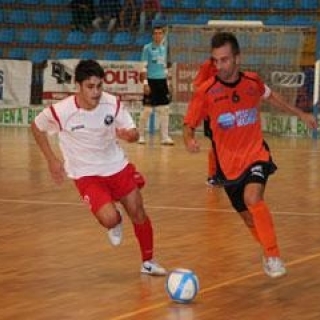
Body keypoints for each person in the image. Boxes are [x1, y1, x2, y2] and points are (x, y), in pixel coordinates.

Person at [183, 32, 317, 278]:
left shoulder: (252, 82)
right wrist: (189, 139)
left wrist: (300, 114)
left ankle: (273, 255)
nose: (219, 66)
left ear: (237, 58)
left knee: (253, 198)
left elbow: (272, 97)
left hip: (256, 154)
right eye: (215, 61)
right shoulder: (206, 91)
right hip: (228, 166)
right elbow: (188, 123)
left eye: (224, 60)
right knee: (248, 219)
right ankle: (268, 251)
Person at [31, 59, 167, 276]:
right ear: (78, 86)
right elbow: (36, 128)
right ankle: (116, 218)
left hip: (117, 166)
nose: (96, 92)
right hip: (86, 175)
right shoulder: (62, 111)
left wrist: (129, 136)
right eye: (90, 87)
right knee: (109, 218)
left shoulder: (112, 103)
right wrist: (51, 160)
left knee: (138, 211)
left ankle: (148, 261)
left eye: (99, 86)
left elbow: (134, 133)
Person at [138, 25, 174, 145]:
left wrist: (168, 83)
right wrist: (145, 83)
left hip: (162, 82)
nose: (158, 35)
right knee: (147, 110)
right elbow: (143, 67)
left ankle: (165, 137)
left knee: (164, 110)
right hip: (151, 81)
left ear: (163, 35)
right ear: (152, 35)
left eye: (160, 33)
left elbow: (165, 67)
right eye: (156, 33)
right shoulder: (147, 48)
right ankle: (141, 136)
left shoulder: (164, 49)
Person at [193, 57, 222, 187]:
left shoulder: (230, 64)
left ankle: (226, 173)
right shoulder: (207, 66)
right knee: (216, 144)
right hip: (211, 112)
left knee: (224, 144)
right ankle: (213, 175)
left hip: (226, 110)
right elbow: (198, 86)